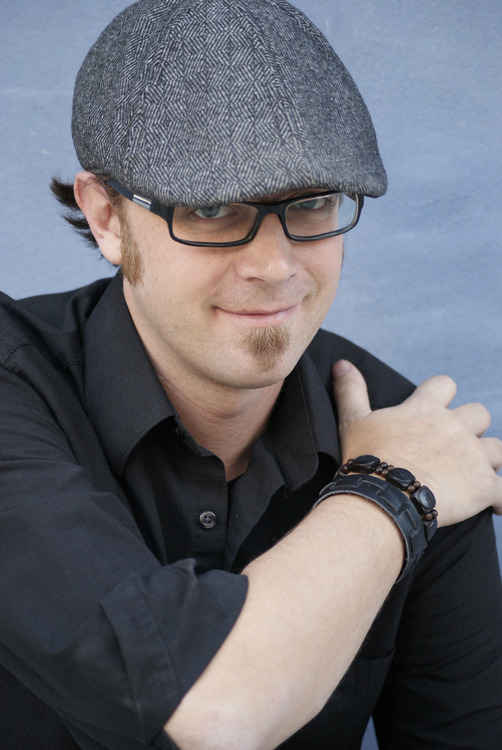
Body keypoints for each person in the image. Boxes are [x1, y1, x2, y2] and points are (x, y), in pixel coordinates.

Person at [0, 0, 501, 748]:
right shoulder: (415, 470)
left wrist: (405, 476)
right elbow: (214, 716)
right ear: (106, 218)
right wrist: (390, 496)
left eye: (314, 202)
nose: (275, 266)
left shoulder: (413, 433)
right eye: (211, 209)